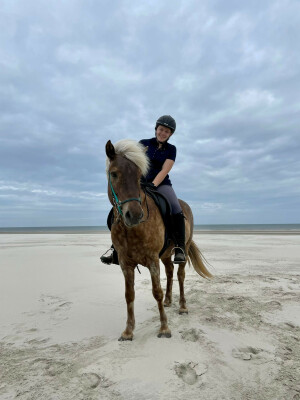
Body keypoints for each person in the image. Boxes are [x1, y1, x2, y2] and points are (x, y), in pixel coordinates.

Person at [101, 115, 186, 264]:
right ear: (156, 129)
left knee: (175, 208)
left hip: (162, 184)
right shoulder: (143, 144)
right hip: (139, 183)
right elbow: (132, 163)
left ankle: (179, 247)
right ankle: (115, 248)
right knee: (116, 208)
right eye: (161, 129)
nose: (163, 133)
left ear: (170, 134)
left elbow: (165, 170)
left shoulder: (172, 149)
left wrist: (153, 184)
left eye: (167, 131)